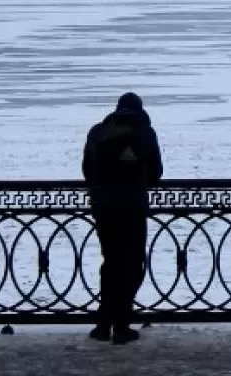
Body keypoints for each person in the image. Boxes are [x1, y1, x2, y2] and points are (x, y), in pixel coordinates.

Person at [82, 92, 163, 344]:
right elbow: (156, 173)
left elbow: (87, 170)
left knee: (111, 263)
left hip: (104, 207)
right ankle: (122, 325)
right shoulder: (145, 133)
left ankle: (103, 324)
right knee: (132, 265)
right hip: (132, 208)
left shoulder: (98, 131)